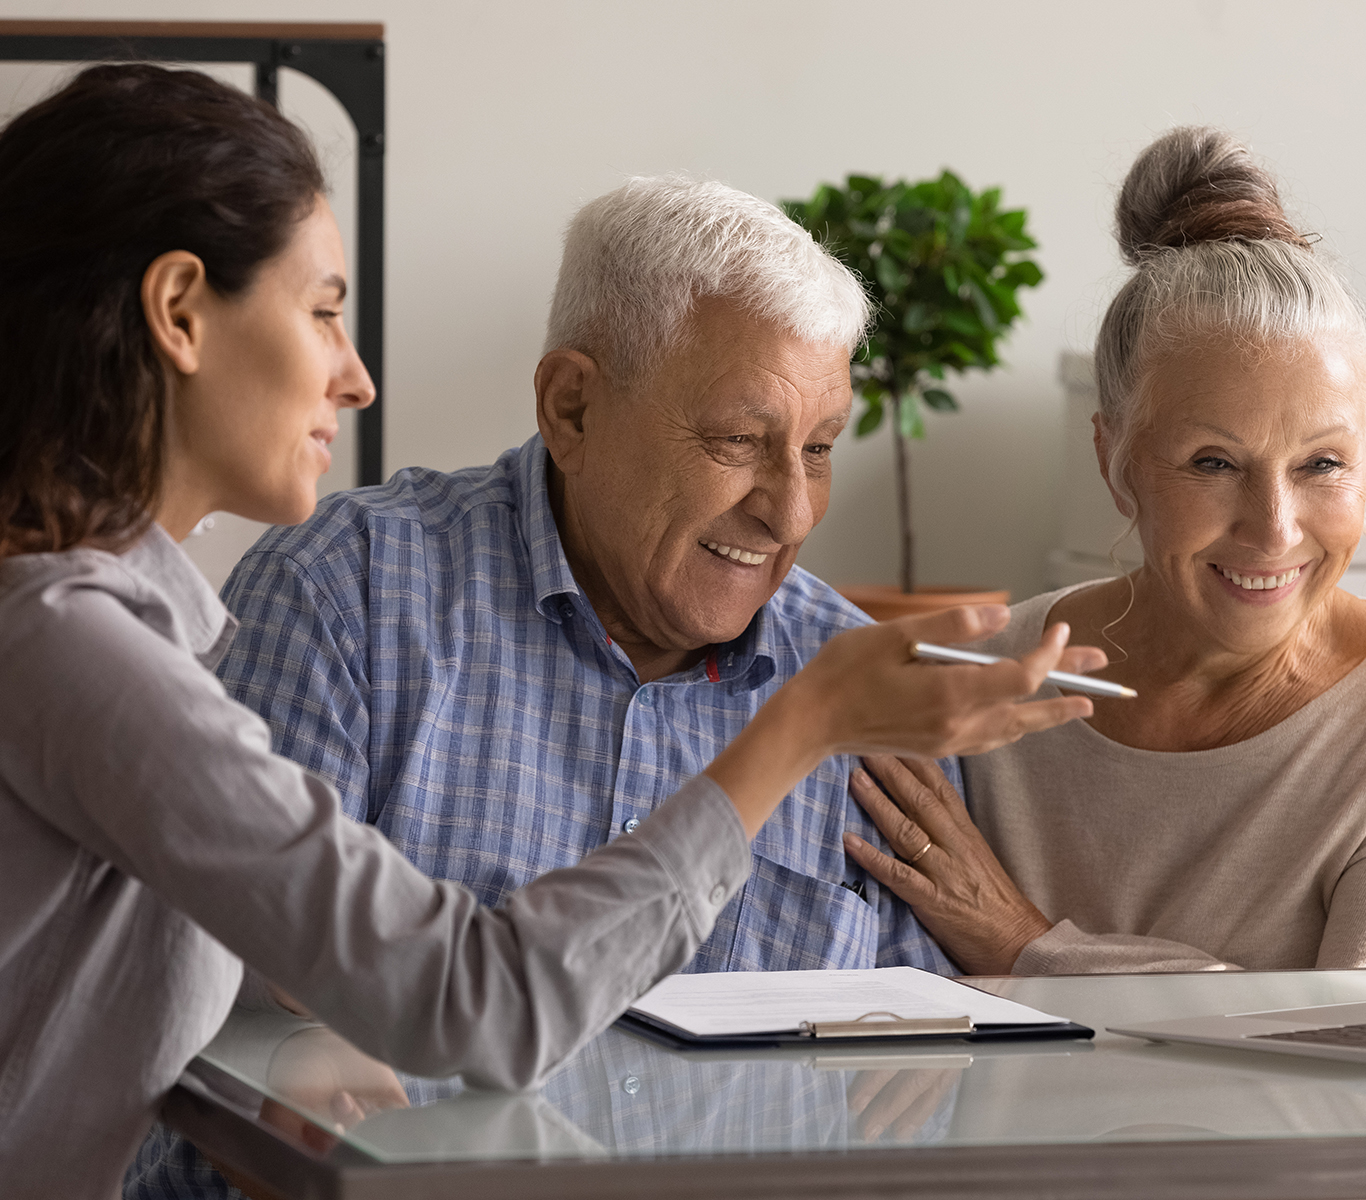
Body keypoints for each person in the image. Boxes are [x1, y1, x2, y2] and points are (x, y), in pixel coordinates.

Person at [0, 65, 1090, 1199]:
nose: (358, 377)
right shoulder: (94, 646)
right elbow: (466, 1003)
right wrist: (802, 726)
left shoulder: (101, 636)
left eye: (817, 448)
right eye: (323, 310)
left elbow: (919, 1100)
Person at [842, 127, 1366, 977]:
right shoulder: (985, 678)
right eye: (1213, 463)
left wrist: (1026, 948)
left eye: (1322, 464)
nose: (1273, 527)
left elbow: (1359, 1035)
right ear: (1114, 463)